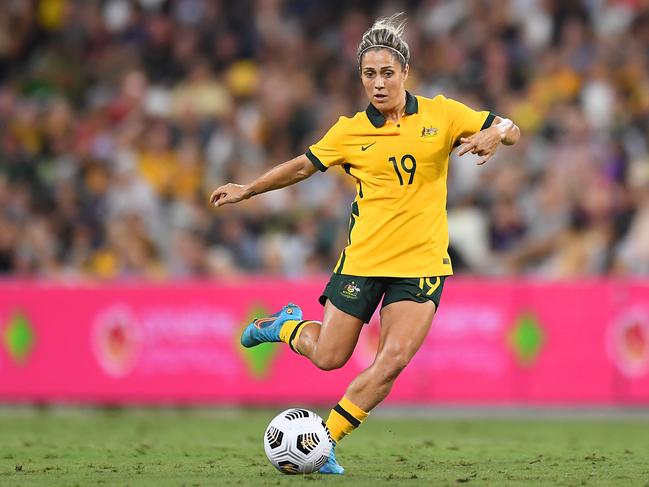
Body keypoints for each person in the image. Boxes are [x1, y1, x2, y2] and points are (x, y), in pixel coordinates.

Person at [210, 13, 520, 474]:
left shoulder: (443, 112)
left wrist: (496, 132)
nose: (378, 83)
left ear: (405, 73)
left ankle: (325, 439)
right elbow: (301, 166)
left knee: (391, 362)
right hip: (363, 260)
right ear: (361, 77)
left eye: (387, 73)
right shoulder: (349, 130)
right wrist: (249, 189)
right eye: (369, 74)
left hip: (421, 264)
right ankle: (283, 326)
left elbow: (511, 127)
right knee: (329, 358)